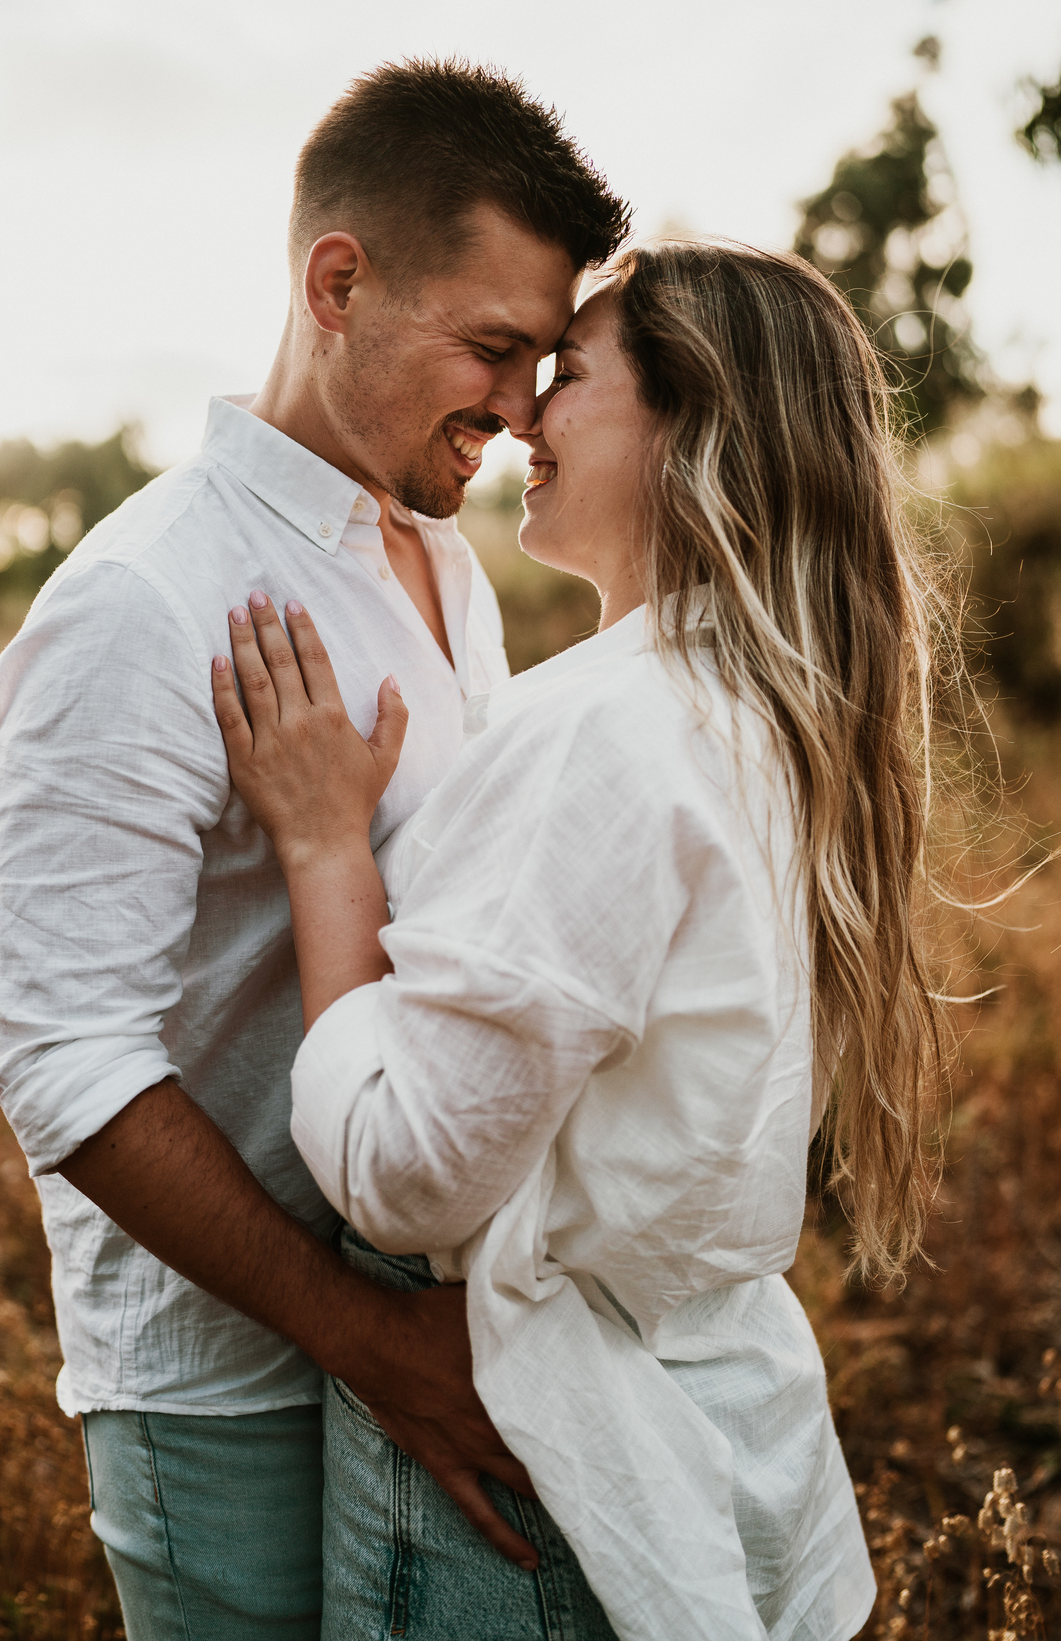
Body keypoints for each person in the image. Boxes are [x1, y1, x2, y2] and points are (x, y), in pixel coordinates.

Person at [210, 240, 953, 1639]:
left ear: (692, 425)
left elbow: (409, 1174)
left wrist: (323, 855)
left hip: (546, 1491)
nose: (524, 418)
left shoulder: (608, 732)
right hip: (727, 1418)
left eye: (571, 378)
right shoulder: (774, 710)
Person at [0, 58, 629, 1638]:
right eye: (493, 346)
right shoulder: (144, 599)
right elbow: (61, 1058)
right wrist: (359, 1332)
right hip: (235, 1391)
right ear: (338, 282)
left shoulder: (447, 563)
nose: (522, 406)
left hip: (424, 1344)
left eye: (544, 359)